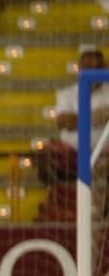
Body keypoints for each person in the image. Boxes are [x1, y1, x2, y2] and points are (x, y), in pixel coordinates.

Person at [44, 45, 109, 185]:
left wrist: (80, 119)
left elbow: (73, 122)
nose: (92, 70)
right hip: (74, 154)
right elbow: (63, 122)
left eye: (96, 67)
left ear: (104, 67)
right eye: (87, 66)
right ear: (80, 67)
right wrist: (101, 116)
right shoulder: (67, 93)